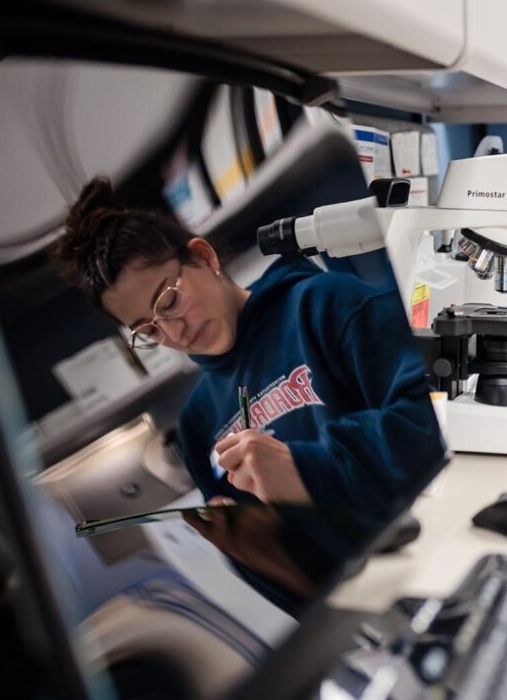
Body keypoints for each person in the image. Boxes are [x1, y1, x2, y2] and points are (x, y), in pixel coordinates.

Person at [52, 177, 445, 524]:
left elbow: (435, 420)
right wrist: (251, 545)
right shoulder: (197, 424)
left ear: (204, 257)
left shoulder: (325, 305)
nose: (175, 332)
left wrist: (306, 470)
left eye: (169, 303)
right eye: (149, 330)